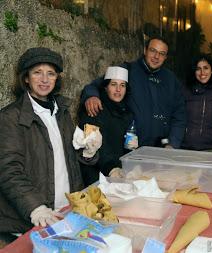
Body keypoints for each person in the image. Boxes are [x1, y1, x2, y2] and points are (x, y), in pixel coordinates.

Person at [0, 47, 85, 236]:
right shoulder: (10, 117)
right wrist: (36, 207)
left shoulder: (62, 112)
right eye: (37, 73)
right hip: (30, 219)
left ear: (57, 79)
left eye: (51, 73)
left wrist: (88, 152)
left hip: (63, 212)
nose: (45, 80)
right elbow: (8, 170)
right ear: (26, 78)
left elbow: (72, 159)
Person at [81, 36, 186, 148]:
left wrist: (173, 143)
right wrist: (91, 96)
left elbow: (179, 114)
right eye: (153, 51)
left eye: (162, 53)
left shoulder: (171, 80)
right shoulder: (128, 70)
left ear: (165, 57)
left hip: (161, 149)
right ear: (145, 50)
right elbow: (95, 86)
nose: (156, 56)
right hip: (131, 148)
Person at [77, 66, 134, 186]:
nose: (118, 89)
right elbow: (92, 143)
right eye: (114, 84)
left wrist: (132, 156)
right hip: (97, 175)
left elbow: (129, 142)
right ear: (105, 87)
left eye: (122, 85)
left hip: (120, 174)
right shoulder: (94, 108)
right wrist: (111, 168)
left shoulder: (127, 112)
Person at [181, 54, 212, 151]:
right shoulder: (185, 89)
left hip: (210, 148)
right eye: (198, 69)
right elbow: (177, 117)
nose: (202, 72)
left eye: (206, 68)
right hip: (184, 147)